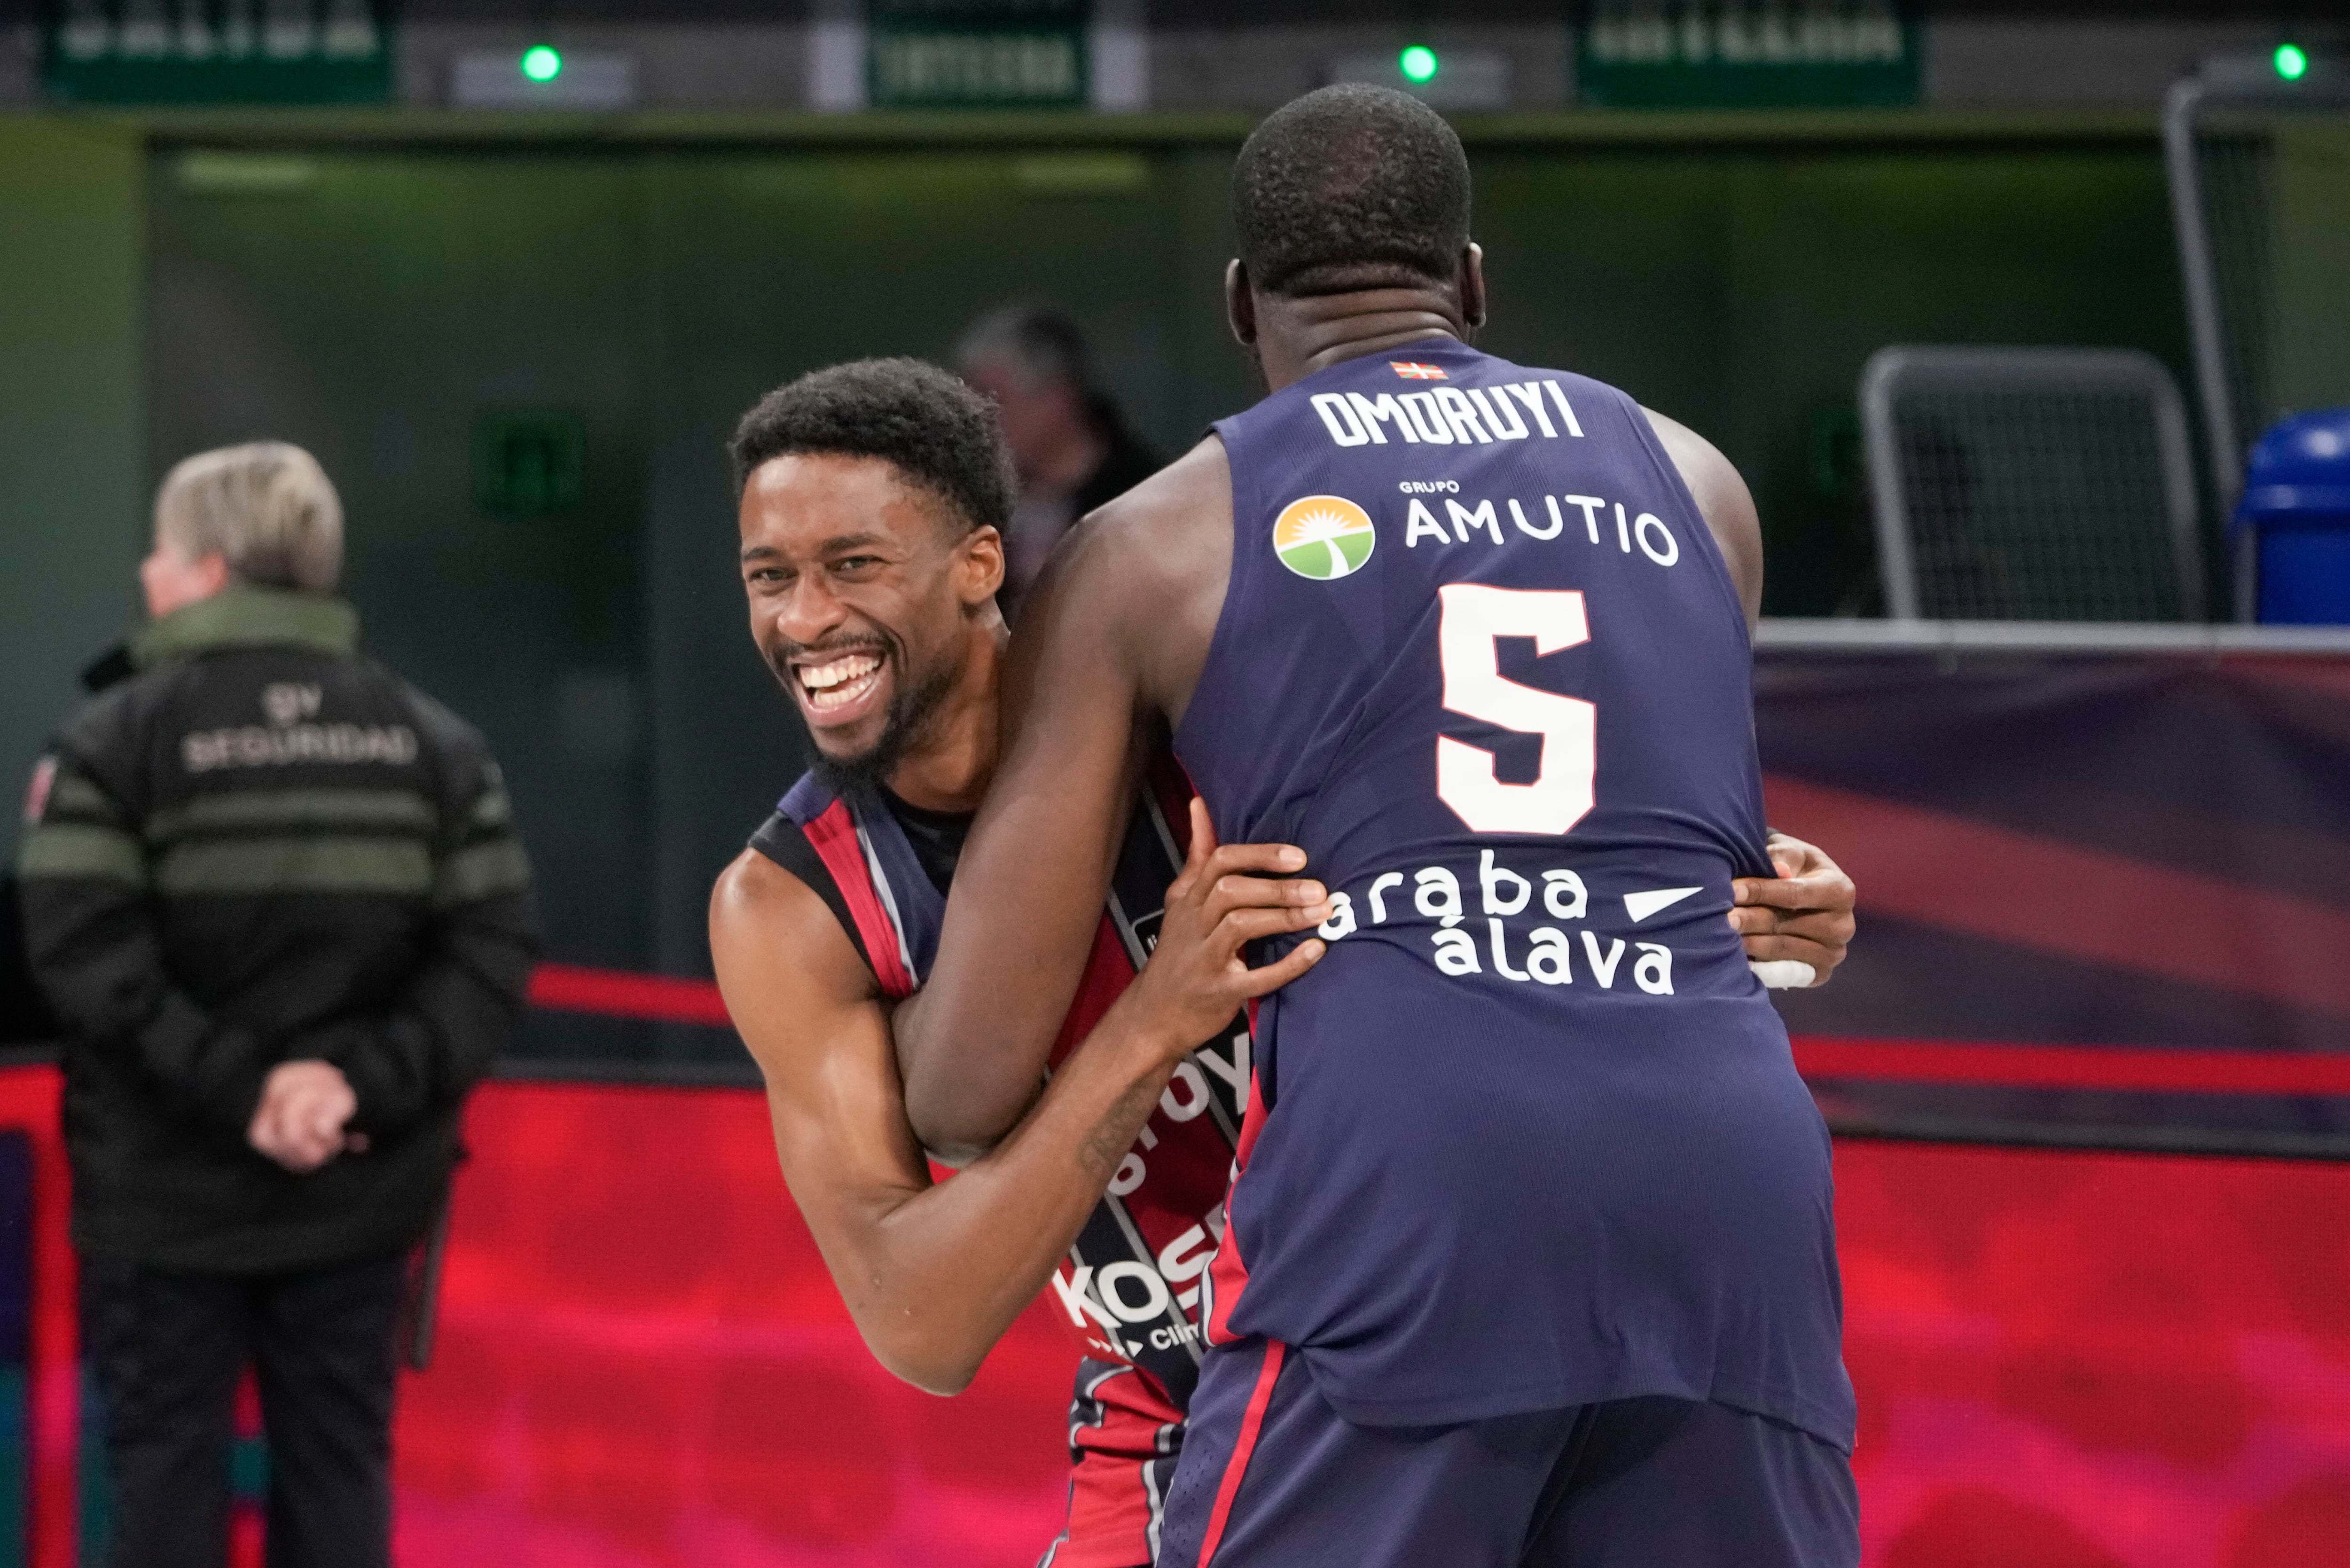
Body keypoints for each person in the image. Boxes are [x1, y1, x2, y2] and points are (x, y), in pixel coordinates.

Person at [895, 84, 1860, 1568]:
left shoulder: (1157, 537)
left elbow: (964, 1084)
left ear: (1239, 305)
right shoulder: (1695, 480)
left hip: (1408, 1180)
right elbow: (1702, 859)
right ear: (1469, 283)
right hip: (1728, 1175)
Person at [15, 442, 539, 1568]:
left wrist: (244, 1091)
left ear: (206, 569)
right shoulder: (434, 742)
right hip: (362, 1188)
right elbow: (492, 948)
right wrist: (354, 1085)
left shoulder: (112, 740)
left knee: (160, 1478)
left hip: (163, 1203)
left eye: (160, 550)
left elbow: (80, 951)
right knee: (340, 1472)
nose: (146, 572)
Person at [955, 303, 1166, 616]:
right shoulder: (971, 505)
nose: (981, 422)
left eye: (995, 401)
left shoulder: (1145, 498)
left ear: (1057, 398)